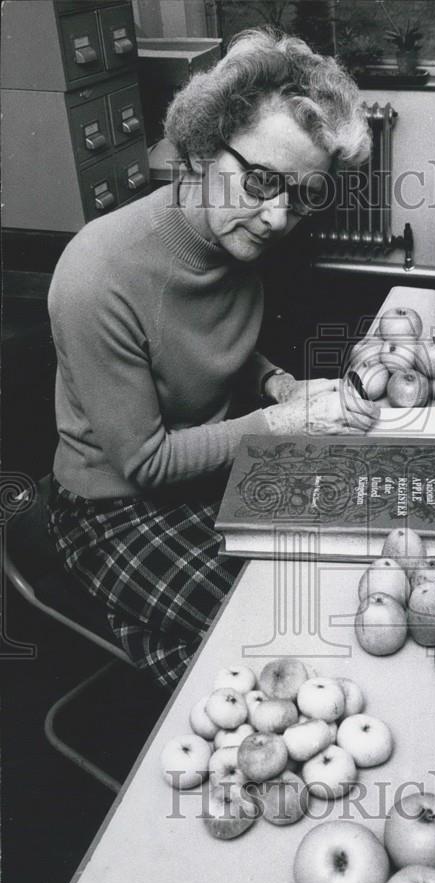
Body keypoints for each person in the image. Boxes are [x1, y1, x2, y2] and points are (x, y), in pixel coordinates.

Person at [47, 29, 378, 689]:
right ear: (201, 146)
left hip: (209, 470)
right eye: (261, 180)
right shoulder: (97, 272)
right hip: (116, 506)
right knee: (281, 644)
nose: (278, 216)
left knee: (347, 574)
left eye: (302, 195)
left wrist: (278, 385)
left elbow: (204, 342)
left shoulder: (235, 234)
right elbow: (146, 461)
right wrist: (286, 425)